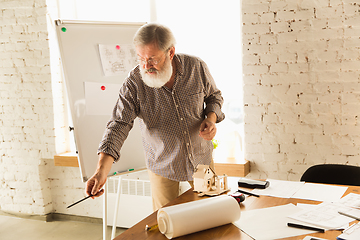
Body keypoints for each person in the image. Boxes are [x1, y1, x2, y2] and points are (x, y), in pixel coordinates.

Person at [85, 23, 225, 211]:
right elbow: (118, 124)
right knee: (166, 222)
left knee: (213, 212)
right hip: (162, 165)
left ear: (170, 52)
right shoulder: (134, 83)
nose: (146, 66)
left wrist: (211, 119)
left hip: (201, 158)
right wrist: (101, 171)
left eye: (152, 59)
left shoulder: (196, 67)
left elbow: (214, 96)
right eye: (141, 58)